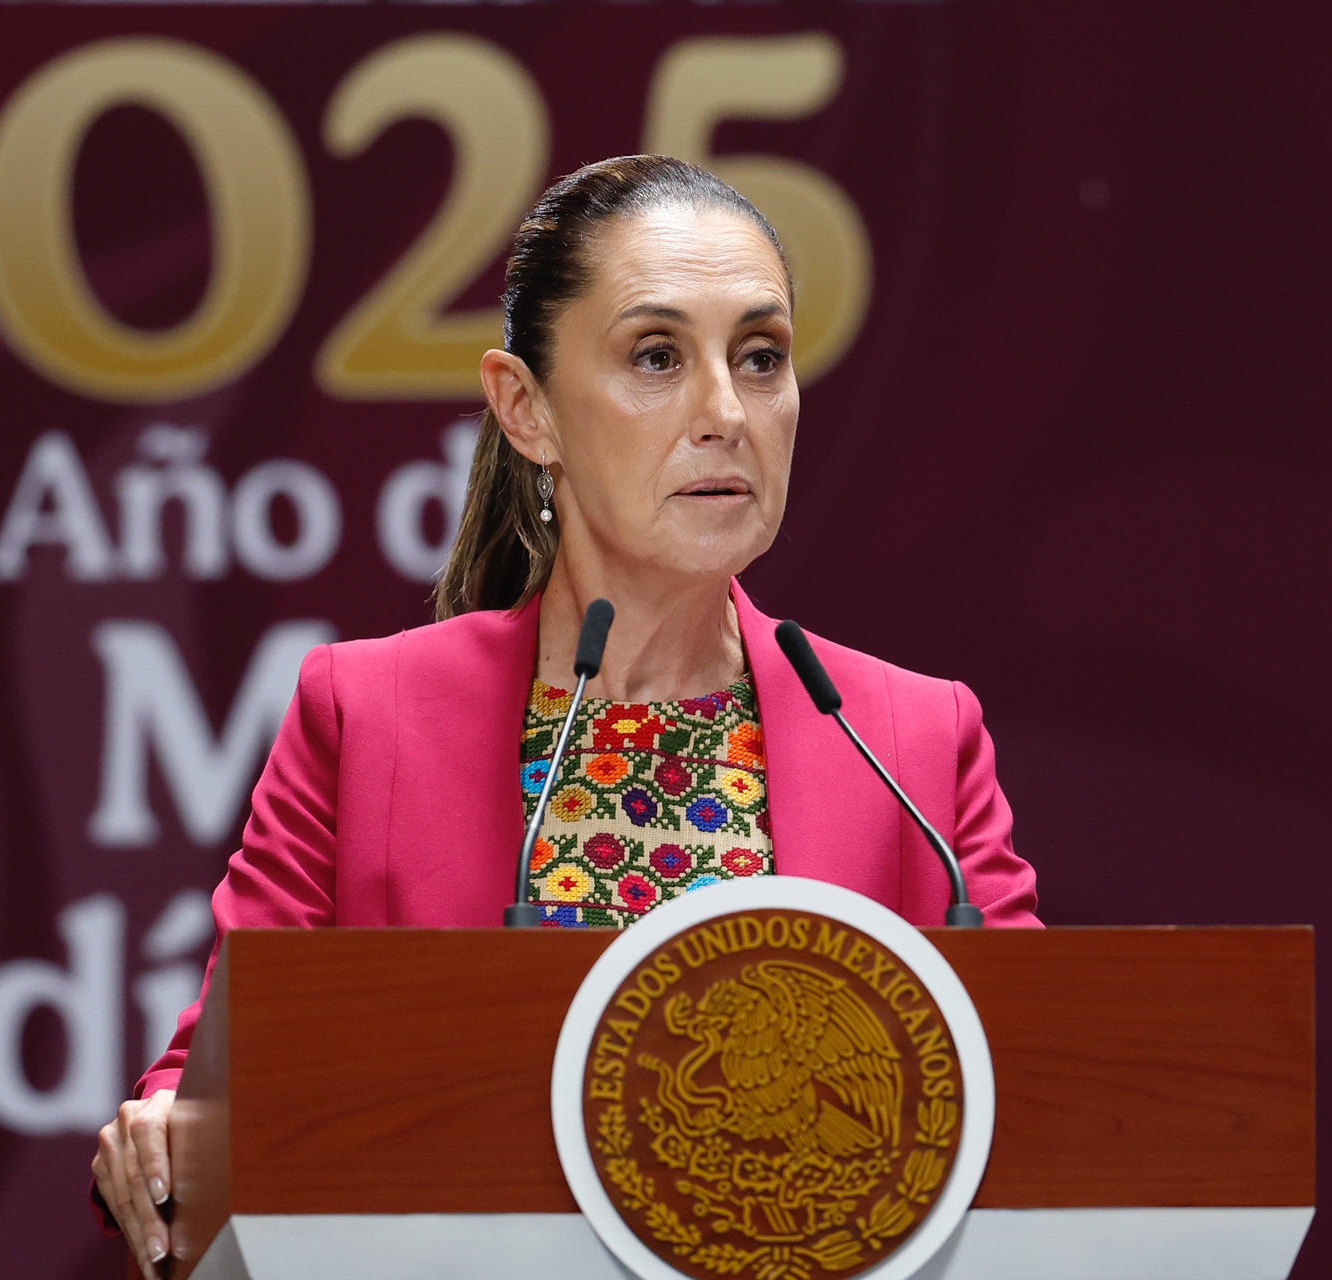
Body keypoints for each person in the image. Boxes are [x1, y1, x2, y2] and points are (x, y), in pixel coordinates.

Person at [90, 154, 1039, 1276]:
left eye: (762, 357)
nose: (726, 413)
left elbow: (1035, 1109)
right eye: (655, 356)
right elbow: (229, 1074)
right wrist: (161, 1131)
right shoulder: (367, 714)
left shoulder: (913, 740)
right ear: (525, 407)